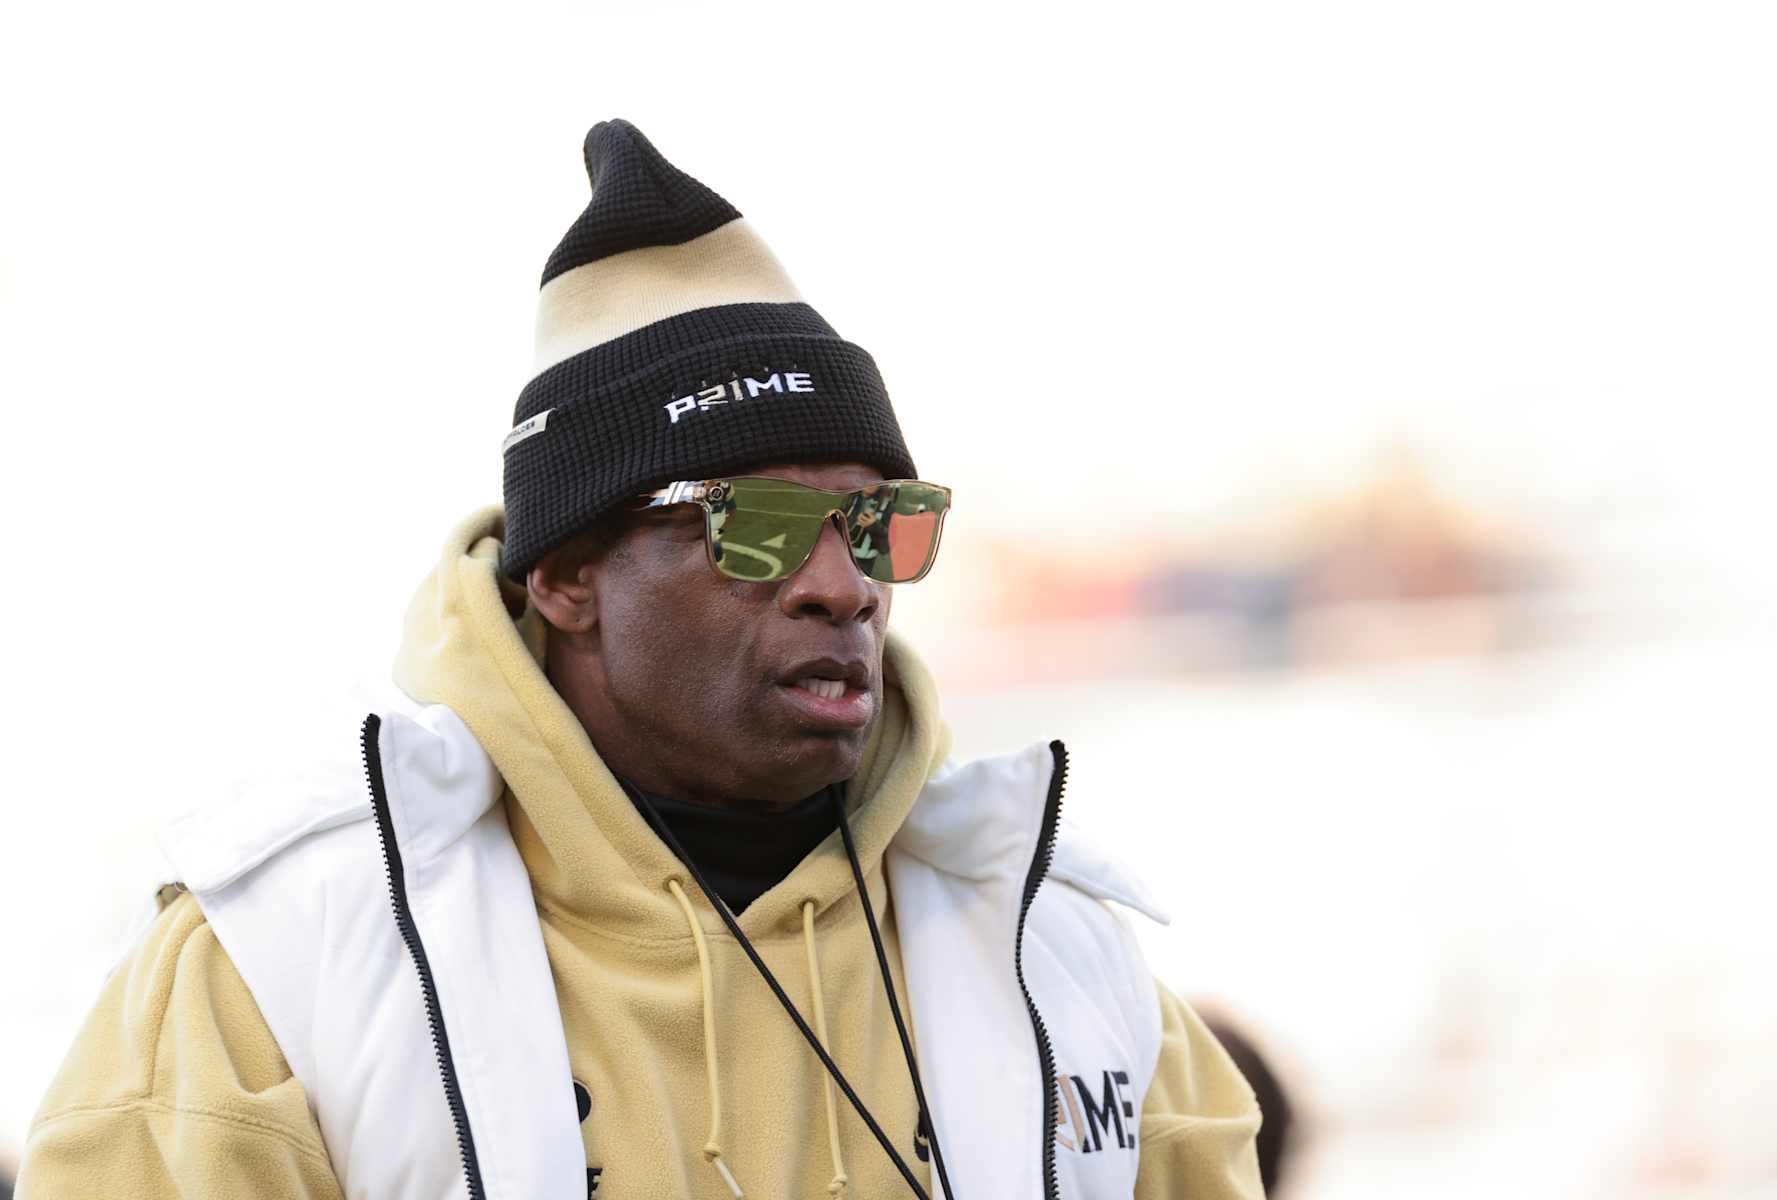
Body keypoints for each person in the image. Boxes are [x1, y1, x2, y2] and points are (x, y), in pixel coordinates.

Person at [17, 120, 1265, 1199]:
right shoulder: (283, 966)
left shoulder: (1057, 950)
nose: (841, 587)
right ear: (563, 576)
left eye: (878, 525)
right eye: (759, 526)